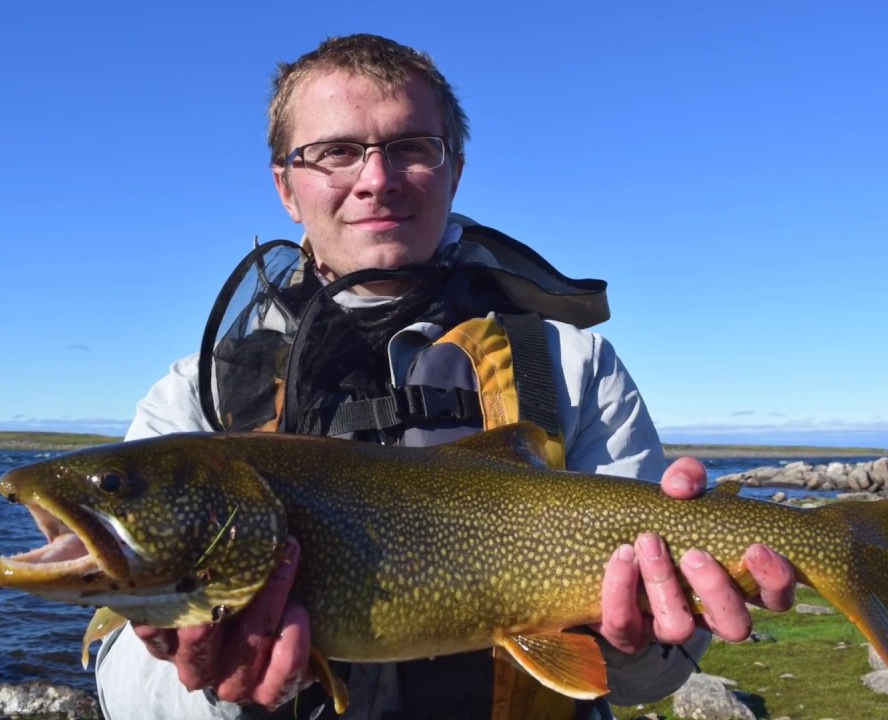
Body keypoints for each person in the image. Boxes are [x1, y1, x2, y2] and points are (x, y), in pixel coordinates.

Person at [95, 33, 796, 720]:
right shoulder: (201, 396)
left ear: (454, 169)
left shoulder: (571, 367)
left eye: (410, 149)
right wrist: (206, 681)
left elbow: (646, 681)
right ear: (286, 186)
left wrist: (642, 646)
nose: (376, 179)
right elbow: (119, 689)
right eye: (336, 152)